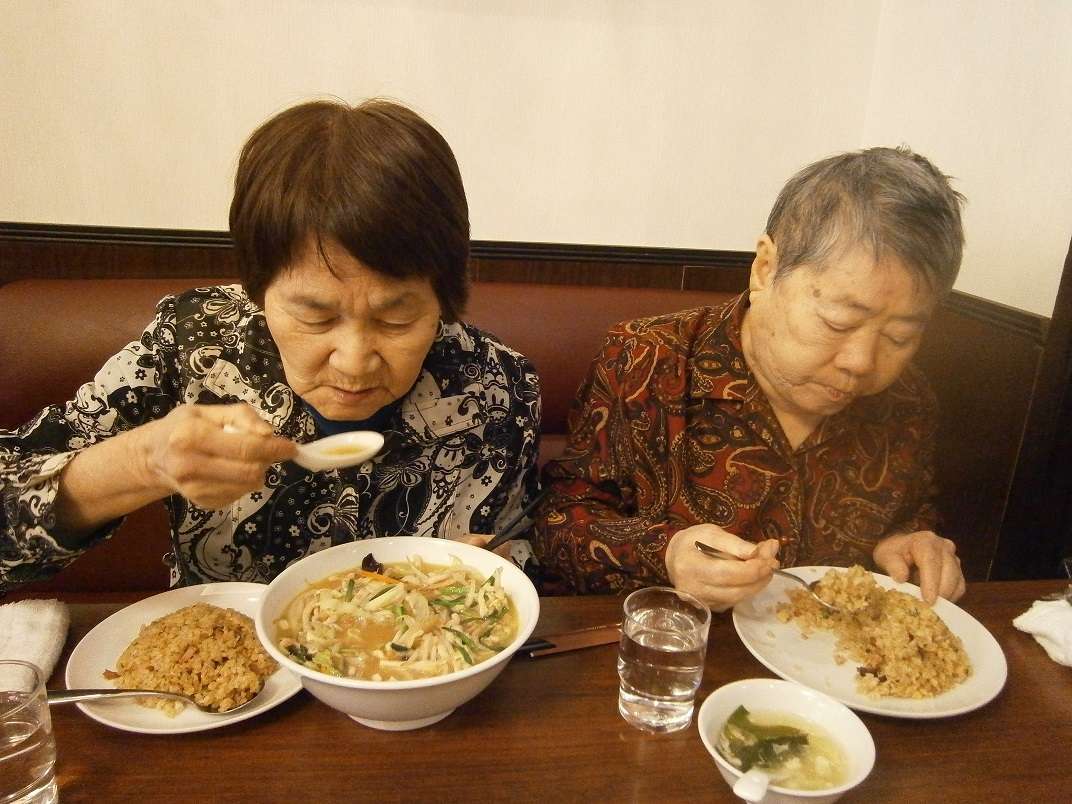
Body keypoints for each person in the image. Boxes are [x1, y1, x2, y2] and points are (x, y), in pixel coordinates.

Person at [0, 99, 540, 592]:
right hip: (221, 659)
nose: (354, 361)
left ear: (445, 298)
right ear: (258, 290)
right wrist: (142, 462)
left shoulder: (500, 387)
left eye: (395, 319)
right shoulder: (192, 344)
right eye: (315, 316)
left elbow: (515, 539)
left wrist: (499, 565)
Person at [533, 146, 965, 609]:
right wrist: (666, 555)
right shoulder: (646, 359)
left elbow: (910, 514)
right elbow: (559, 523)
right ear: (765, 270)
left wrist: (907, 543)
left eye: (900, 336)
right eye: (838, 321)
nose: (861, 362)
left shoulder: (908, 401)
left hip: (834, 651)